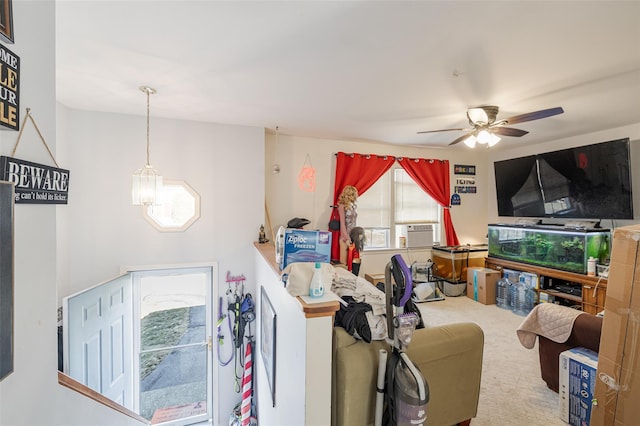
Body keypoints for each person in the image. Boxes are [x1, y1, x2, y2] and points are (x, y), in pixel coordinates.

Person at [337, 185, 358, 265]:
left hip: (353, 236)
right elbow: (342, 224)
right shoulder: (342, 206)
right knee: (344, 263)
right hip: (344, 237)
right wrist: (347, 237)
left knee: (353, 262)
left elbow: (354, 222)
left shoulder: (353, 206)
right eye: (354, 194)